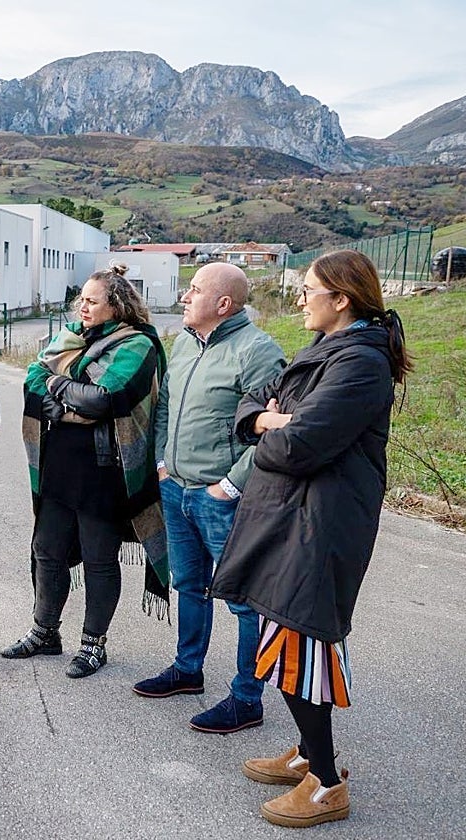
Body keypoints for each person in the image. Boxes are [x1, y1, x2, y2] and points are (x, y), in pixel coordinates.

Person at [211, 250, 412, 828]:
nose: (300, 298)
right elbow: (250, 408)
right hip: (291, 517)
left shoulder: (361, 364)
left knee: (302, 649)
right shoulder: (326, 351)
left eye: (308, 289)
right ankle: (306, 753)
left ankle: (326, 783)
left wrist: (273, 425)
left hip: (319, 526)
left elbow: (300, 447)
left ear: (341, 299)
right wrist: (266, 419)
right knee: (286, 639)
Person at [132, 263, 286, 734]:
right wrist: (161, 464)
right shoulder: (182, 343)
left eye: (194, 290)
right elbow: (165, 410)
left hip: (222, 498)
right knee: (188, 586)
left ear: (223, 303)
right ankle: (187, 670)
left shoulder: (258, 352)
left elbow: (271, 429)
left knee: (243, 601)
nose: (184, 296)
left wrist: (231, 485)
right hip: (177, 489)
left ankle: (246, 698)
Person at [2, 263, 168, 677]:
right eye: (82, 299)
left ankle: (94, 644)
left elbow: (107, 399)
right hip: (57, 464)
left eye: (92, 301)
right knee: (47, 550)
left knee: (98, 558)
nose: (83, 307)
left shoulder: (138, 344)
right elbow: (32, 382)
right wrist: (67, 391)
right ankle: (45, 632)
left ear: (117, 305)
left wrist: (59, 386)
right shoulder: (70, 337)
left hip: (104, 470)